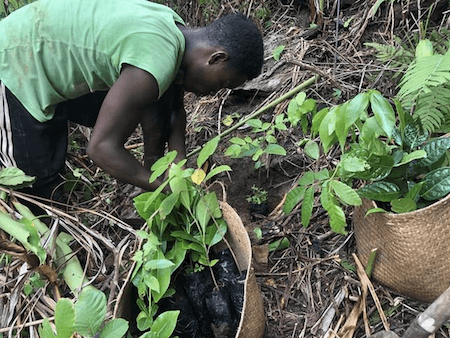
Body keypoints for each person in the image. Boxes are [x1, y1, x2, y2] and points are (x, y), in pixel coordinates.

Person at [0, 0, 264, 200]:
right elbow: (100, 148)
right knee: (34, 184)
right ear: (216, 58)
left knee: (156, 101)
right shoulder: (154, 61)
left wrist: (178, 175)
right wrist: (160, 187)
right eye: (221, 83)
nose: (212, 93)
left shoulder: (177, 34)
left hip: (51, 54)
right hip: (16, 60)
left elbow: (172, 114)